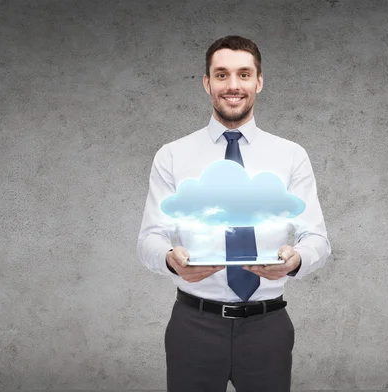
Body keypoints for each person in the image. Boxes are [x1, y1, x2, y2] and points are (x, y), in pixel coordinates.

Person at [137, 35, 331, 392]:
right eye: (222, 75)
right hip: (193, 326)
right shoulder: (173, 155)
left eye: (244, 74)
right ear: (207, 83)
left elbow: (316, 239)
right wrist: (169, 258)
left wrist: (295, 259)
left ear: (259, 81)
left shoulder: (290, 155)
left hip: (267, 327)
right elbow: (150, 237)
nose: (233, 85)